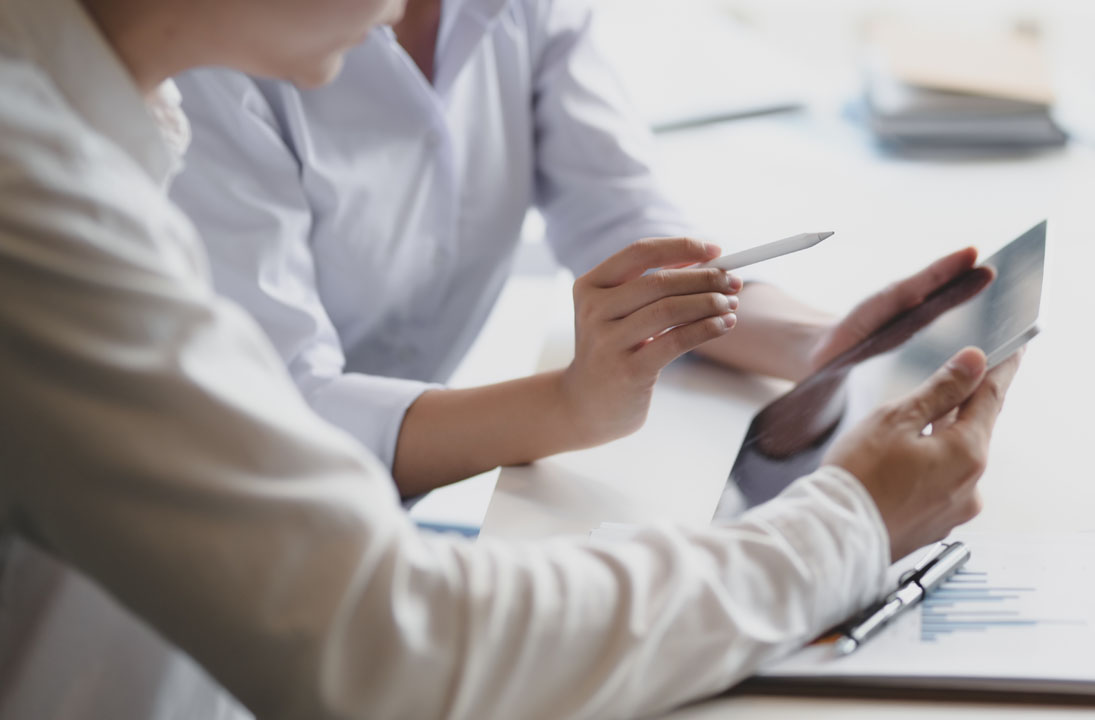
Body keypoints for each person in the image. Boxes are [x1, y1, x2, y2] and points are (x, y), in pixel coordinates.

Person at [0, 1, 1022, 720]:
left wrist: (815, 352)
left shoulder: (101, 132)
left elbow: (632, 228)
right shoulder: (38, 205)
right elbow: (389, 646)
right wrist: (845, 524)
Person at [169, 0, 985, 498]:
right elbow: (278, 414)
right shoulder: (214, 57)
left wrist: (820, 348)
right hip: (229, 524)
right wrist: (571, 405)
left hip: (389, 503)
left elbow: (622, 220)